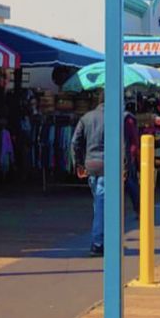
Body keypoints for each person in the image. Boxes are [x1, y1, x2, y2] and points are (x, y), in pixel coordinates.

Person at [72, 95, 105, 255]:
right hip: (108, 165)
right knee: (101, 204)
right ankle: (98, 242)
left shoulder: (86, 118)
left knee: (98, 202)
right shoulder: (115, 118)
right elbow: (123, 143)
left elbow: (75, 142)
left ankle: (101, 238)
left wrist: (78, 163)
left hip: (91, 164)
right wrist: (125, 165)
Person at [124, 104, 140, 216]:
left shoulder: (127, 119)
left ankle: (139, 208)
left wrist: (131, 155)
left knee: (130, 183)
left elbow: (134, 140)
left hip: (127, 157)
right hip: (125, 156)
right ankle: (138, 208)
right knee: (130, 183)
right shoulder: (127, 119)